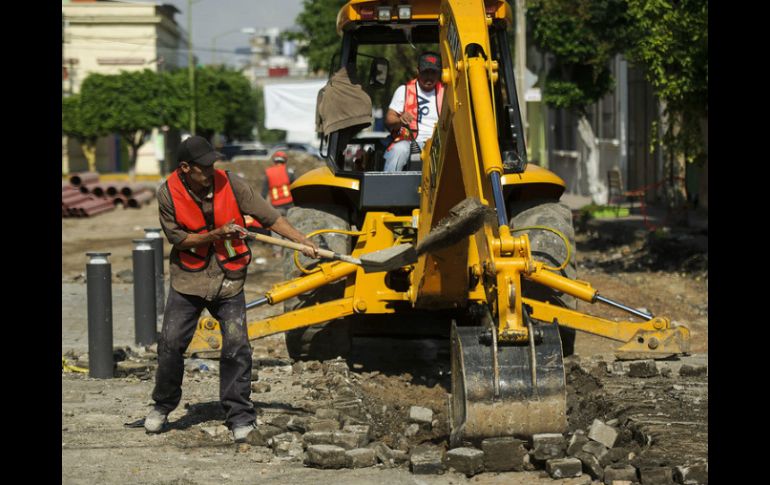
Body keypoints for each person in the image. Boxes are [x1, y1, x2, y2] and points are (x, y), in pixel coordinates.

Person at [144, 136, 319, 443]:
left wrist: (301, 241)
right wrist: (217, 233)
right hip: (189, 279)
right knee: (170, 344)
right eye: (204, 166)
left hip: (229, 277)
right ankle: (163, 404)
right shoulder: (167, 194)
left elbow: (271, 217)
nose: (212, 169)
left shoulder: (232, 183)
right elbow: (180, 240)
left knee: (237, 345)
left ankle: (239, 415)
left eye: (213, 163)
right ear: (185, 168)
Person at [383, 52, 445, 172]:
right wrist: (400, 120)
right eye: (425, 72)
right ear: (418, 71)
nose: (429, 77)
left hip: (438, 143)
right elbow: (389, 118)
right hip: (409, 141)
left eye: (433, 72)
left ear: (439, 73)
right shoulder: (403, 91)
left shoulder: (447, 92)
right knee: (399, 150)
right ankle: (390, 187)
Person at [261, 150, 296, 217]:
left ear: (274, 160)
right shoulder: (289, 171)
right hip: (290, 204)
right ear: (285, 160)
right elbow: (295, 187)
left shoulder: (268, 173)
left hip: (276, 207)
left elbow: (264, 192)